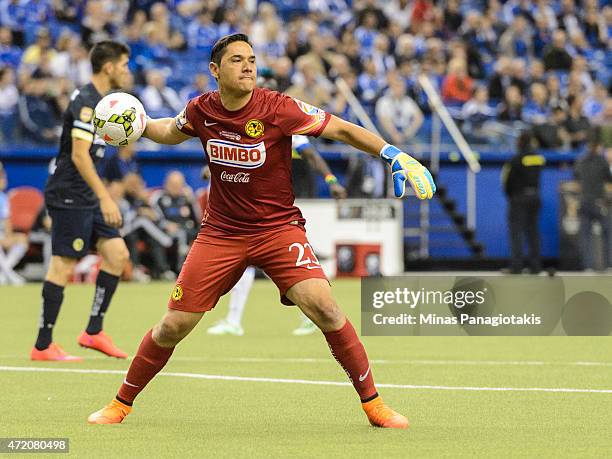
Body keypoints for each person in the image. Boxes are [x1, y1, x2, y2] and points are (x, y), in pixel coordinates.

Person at [88, 33, 435, 429]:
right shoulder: (201, 109)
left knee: (325, 308)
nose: (248, 66)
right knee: (173, 325)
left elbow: (339, 129)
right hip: (221, 232)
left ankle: (374, 405)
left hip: (277, 229)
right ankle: (120, 403)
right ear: (215, 71)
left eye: (251, 59)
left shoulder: (278, 107)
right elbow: (171, 131)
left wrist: (391, 152)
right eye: (237, 60)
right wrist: (139, 125)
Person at [30, 41, 132, 362]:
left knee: (117, 254)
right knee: (63, 265)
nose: (127, 71)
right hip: (70, 191)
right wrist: (105, 198)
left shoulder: (104, 102)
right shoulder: (87, 102)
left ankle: (93, 331)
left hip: (86, 192)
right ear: (109, 66)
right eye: (124, 65)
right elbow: (78, 154)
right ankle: (43, 345)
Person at [206, 134, 348, 337]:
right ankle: (234, 320)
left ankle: (309, 315)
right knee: (251, 263)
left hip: (275, 209)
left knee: (275, 264)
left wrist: (331, 180)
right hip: (252, 208)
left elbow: (310, 153)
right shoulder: (240, 129)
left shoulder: (282, 123)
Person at [502, 131, 545, 274]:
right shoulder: (538, 158)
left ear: (520, 141)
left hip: (519, 198)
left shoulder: (516, 159)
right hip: (535, 197)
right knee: (533, 232)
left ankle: (517, 266)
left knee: (516, 233)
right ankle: (535, 266)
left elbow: (508, 180)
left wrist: (510, 195)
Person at [574, 128, 612, 270]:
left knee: (585, 235)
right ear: (597, 146)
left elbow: (576, 177)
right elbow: (609, 179)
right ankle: (608, 265)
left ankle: (587, 266)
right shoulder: (602, 161)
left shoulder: (580, 160)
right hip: (599, 202)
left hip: (584, 201)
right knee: (607, 233)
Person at [0, 162, 28, 285]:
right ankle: (8, 273)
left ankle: (5, 272)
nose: (5, 180)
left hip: (1, 233)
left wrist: (9, 237)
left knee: (22, 239)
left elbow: (7, 220)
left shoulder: (3, 198)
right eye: (2, 177)